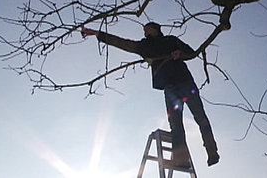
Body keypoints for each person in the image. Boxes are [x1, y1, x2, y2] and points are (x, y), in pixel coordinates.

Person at [81, 22, 219, 168]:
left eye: (147, 30)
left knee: (200, 117)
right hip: (170, 88)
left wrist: (180, 54)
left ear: (156, 29)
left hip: (185, 83)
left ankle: (212, 151)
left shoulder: (171, 41)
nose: (145, 33)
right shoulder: (145, 47)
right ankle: (182, 160)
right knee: (176, 125)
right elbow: (123, 43)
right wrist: (98, 34)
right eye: (144, 31)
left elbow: (192, 53)